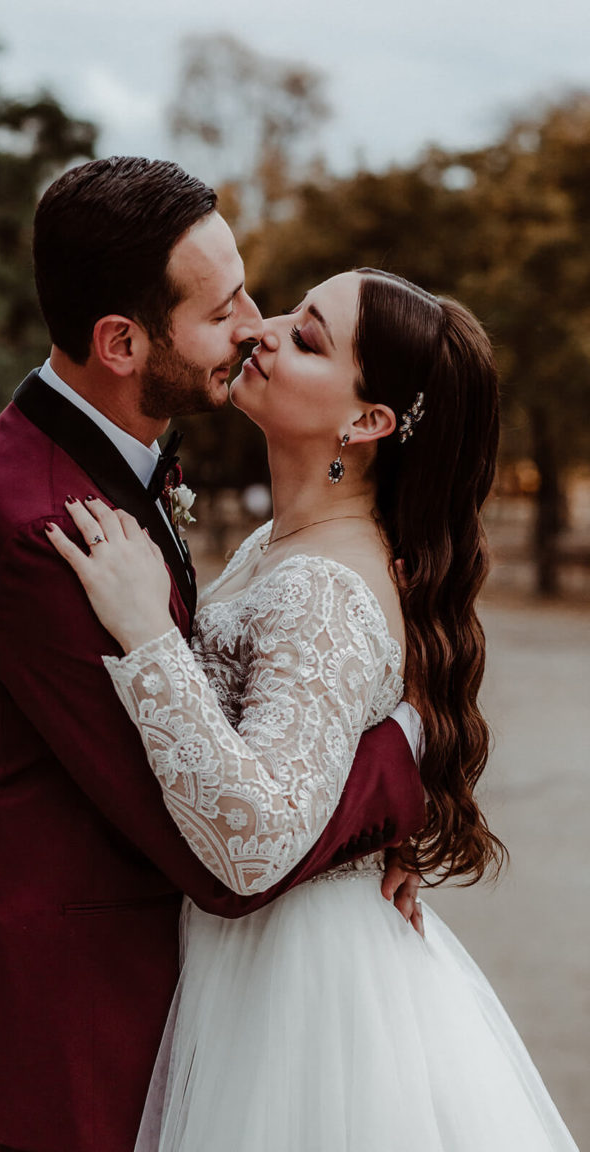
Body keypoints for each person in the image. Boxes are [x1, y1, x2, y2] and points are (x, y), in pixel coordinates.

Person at [0, 158, 427, 1152]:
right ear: (122, 342)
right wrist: (401, 761)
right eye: (223, 310)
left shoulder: (109, 459)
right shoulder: (47, 533)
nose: (254, 327)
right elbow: (224, 860)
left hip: (160, 1006)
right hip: (86, 1027)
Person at [47, 267, 580, 1151]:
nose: (264, 329)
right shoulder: (281, 543)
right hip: (257, 958)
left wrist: (147, 637)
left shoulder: (322, 588)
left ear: (366, 423)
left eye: (306, 337)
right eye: (291, 309)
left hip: (296, 986)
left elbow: (256, 841)